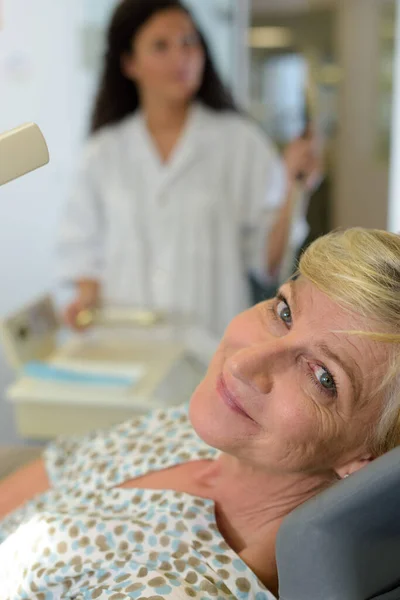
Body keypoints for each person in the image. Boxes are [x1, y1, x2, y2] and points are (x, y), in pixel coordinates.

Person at [1, 227, 399, 599]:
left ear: (367, 459)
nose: (244, 363)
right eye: (284, 313)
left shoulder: (176, 585)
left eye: (322, 376)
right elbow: (52, 471)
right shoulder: (192, 430)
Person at [59, 0, 318, 337]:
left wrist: (293, 187)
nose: (180, 57)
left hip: (209, 347)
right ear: (129, 63)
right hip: (123, 347)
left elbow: (268, 262)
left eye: (189, 42)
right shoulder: (103, 152)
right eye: (160, 46)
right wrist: (85, 300)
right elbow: (82, 249)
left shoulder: (241, 143)